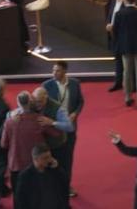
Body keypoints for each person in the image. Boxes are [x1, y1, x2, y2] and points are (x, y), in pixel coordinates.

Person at [2, 93, 64, 191]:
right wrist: (51, 121)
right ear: (31, 102)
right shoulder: (39, 119)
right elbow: (57, 134)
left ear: (18, 104)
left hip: (16, 164)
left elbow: (3, 144)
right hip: (36, 164)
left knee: (18, 196)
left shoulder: (9, 122)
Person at [41, 61, 84, 192]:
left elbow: (80, 102)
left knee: (67, 159)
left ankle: (66, 185)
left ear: (65, 71)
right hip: (52, 129)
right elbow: (39, 105)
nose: (54, 73)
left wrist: (75, 113)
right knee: (51, 157)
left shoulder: (75, 84)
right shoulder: (46, 86)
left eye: (57, 71)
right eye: (53, 70)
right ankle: (51, 185)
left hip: (70, 128)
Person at [14, 144, 70, 209]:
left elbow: (65, 185)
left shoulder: (54, 170)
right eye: (45, 158)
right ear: (35, 159)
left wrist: (57, 169)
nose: (49, 160)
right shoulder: (25, 176)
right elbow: (21, 199)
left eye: (50, 156)